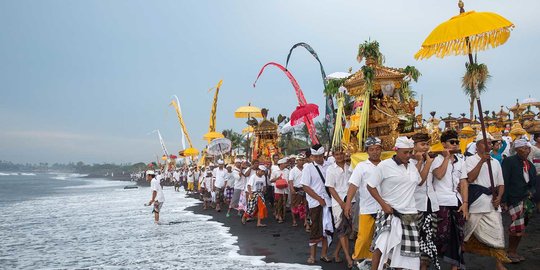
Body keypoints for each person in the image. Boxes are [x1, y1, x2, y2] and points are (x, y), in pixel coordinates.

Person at [367, 136, 421, 270]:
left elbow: (419, 181)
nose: (408, 155)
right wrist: (384, 205)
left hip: (410, 214)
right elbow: (370, 186)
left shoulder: (413, 166)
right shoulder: (384, 165)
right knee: (381, 245)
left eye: (410, 152)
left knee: (405, 252)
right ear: (396, 150)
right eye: (405, 152)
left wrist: (426, 163)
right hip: (390, 212)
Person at [463, 132, 510, 270]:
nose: (488, 145)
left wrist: (499, 197)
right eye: (485, 142)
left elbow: (501, 184)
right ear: (477, 146)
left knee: (498, 232)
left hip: (492, 204)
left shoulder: (495, 162)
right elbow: (470, 179)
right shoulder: (469, 161)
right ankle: (457, 260)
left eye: (490, 143)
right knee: (466, 233)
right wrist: (481, 161)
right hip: (476, 203)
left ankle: (499, 263)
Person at [432, 130, 469, 270]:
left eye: (457, 142)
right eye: (452, 142)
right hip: (440, 203)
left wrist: (465, 203)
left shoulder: (461, 160)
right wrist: (446, 158)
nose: (455, 145)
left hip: (456, 202)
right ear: (443, 144)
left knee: (458, 236)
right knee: (441, 237)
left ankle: (455, 266)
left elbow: (464, 182)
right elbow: (439, 175)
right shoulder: (436, 159)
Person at [344, 137, 382, 269]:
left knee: (380, 239)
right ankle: (357, 260)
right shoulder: (361, 166)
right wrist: (348, 204)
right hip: (367, 208)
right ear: (367, 151)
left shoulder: (386, 165)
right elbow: (353, 186)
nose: (375, 152)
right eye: (372, 149)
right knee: (364, 237)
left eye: (377, 149)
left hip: (384, 209)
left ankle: (374, 262)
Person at [502, 138, 537, 263]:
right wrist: (504, 200)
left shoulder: (529, 164)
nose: (526, 151)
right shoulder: (509, 162)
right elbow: (504, 181)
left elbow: (533, 181)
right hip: (514, 198)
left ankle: (513, 251)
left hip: (526, 199)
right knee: (516, 227)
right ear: (517, 149)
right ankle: (510, 252)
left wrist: (532, 193)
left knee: (521, 227)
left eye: (528, 148)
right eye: (523, 148)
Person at [411, 133, 440, 270]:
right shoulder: (410, 162)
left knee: (428, 238)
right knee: (414, 239)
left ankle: (424, 266)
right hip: (415, 205)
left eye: (427, 144)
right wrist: (424, 163)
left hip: (431, 203)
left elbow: (438, 177)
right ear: (414, 146)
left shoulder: (431, 159)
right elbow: (419, 182)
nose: (426, 147)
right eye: (422, 144)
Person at [301, 144, 333, 264]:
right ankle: (312, 256)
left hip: (329, 202)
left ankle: (324, 254)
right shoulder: (308, 168)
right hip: (315, 203)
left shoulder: (329, 166)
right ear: (312, 156)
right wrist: (319, 199)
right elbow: (305, 186)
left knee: (327, 228)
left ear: (323, 155)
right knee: (315, 228)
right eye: (315, 157)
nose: (318, 159)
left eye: (320, 156)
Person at [325, 149, 353, 268]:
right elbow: (331, 188)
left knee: (348, 230)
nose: (340, 156)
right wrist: (342, 203)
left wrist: (348, 203)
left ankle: (336, 253)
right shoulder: (331, 169)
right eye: (337, 154)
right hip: (338, 203)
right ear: (333, 156)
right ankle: (348, 257)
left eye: (341, 153)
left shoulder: (350, 166)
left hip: (352, 201)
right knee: (342, 230)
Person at [289, 153, 308, 229]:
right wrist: (292, 189)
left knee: (305, 205)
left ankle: (306, 221)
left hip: (304, 189)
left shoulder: (306, 169)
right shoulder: (293, 170)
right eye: (300, 160)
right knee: (294, 205)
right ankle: (294, 220)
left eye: (302, 160)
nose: (301, 161)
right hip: (296, 189)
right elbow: (290, 181)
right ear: (297, 161)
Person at [271, 157, 289, 223]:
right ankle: (279, 215)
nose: (285, 164)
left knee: (284, 203)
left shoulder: (287, 171)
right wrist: (277, 178)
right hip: (278, 190)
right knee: (278, 203)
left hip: (286, 190)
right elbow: (271, 180)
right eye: (284, 163)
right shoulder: (275, 171)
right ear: (280, 164)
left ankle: (282, 215)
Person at [528, 133, 540, 210]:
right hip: (536, 170)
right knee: (538, 190)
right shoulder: (532, 147)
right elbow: (530, 159)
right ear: (535, 138)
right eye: (539, 137)